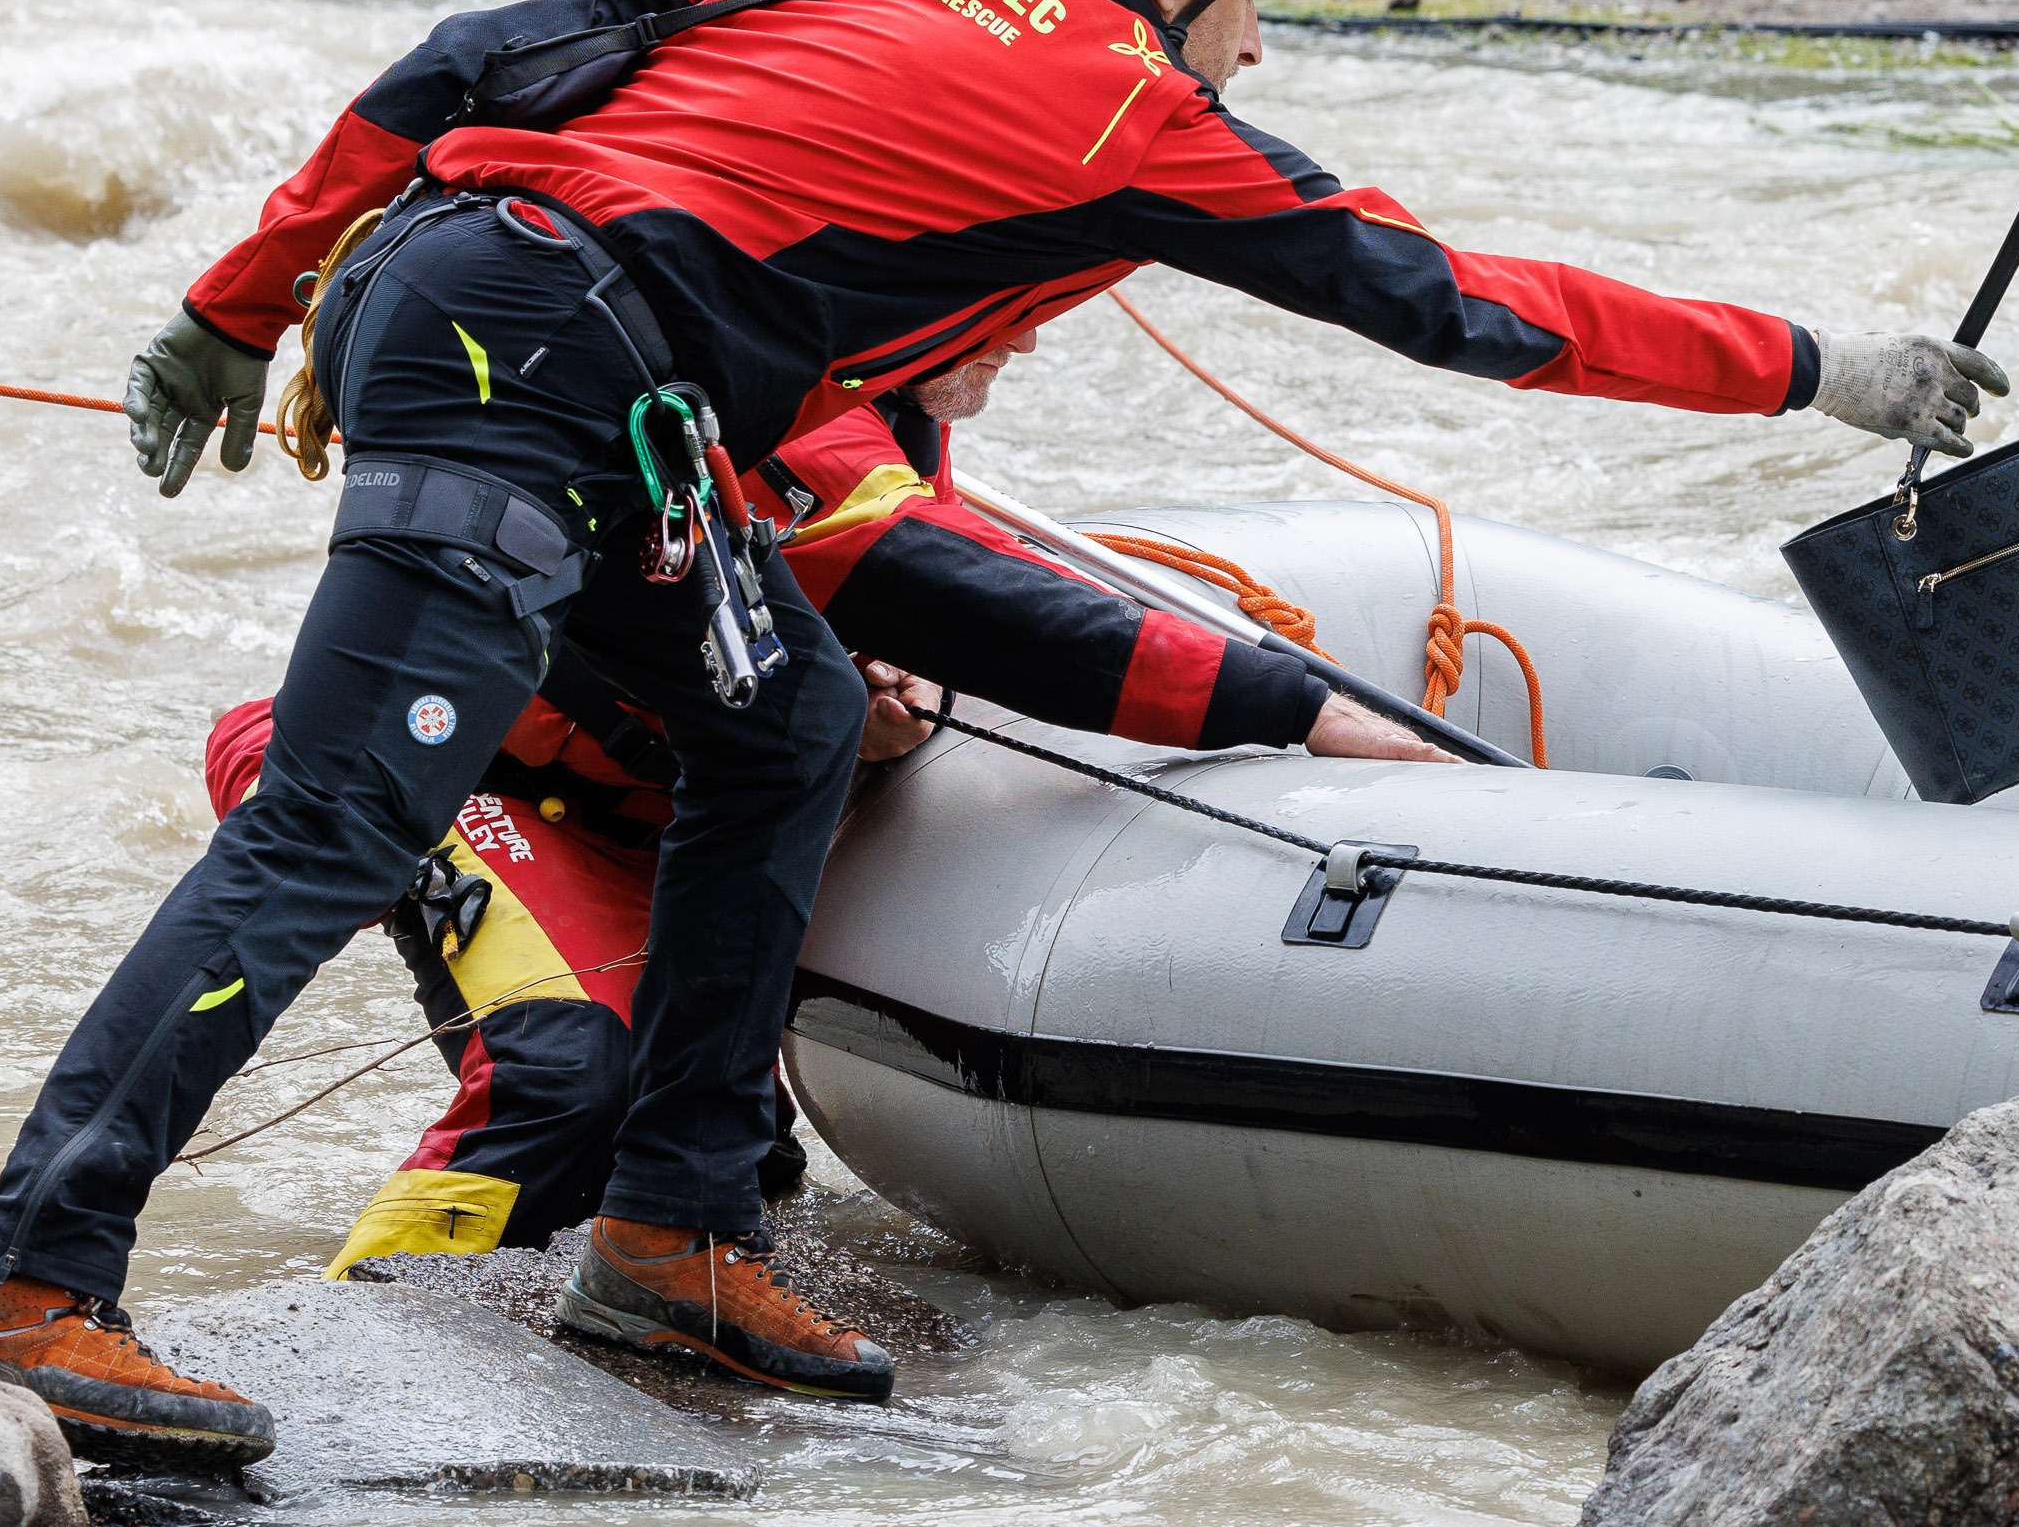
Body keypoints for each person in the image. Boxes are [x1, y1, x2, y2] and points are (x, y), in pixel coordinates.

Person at [0, 0, 2004, 1472]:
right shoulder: (1138, 108)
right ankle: (35, 1279)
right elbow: (1464, 310)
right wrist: (1821, 365)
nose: (1261, 38)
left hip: (555, 345)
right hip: (534, 351)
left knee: (787, 726)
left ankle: (669, 1235)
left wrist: (244, 295)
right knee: (327, 822)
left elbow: (474, 59)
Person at [301, 320, 1381, 1285]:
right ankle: (357, 1336)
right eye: (1009, 315)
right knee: (572, 1082)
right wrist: (1298, 708)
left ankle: (638, 1316)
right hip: (486, 788)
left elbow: (910, 618)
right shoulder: (797, 418)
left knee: (737, 1153)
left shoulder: (905, 423)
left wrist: (896, 690)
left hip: (673, 828)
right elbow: (991, 602)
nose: (1030, 342)